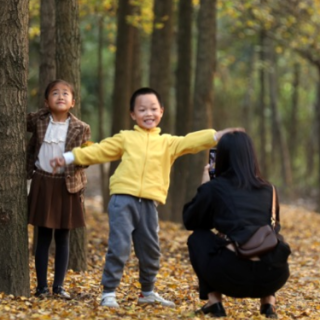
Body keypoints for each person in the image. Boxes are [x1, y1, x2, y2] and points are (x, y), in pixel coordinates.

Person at [50, 87, 243, 308]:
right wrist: (67, 157)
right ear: (133, 114)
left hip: (150, 204)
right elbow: (99, 151)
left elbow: (192, 141)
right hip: (123, 200)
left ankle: (147, 292)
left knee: (151, 249)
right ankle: (109, 292)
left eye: (153, 109)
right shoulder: (126, 138)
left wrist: (219, 135)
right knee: (119, 246)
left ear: (161, 111)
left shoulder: (168, 143)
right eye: (142, 109)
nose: (148, 113)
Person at [183, 131, 291, 318]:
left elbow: (192, 221)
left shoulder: (215, 187)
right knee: (269, 238)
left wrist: (204, 187)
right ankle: (268, 305)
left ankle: (214, 302)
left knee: (198, 237)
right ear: (251, 156)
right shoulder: (269, 189)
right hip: (273, 276)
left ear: (222, 156)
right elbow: (274, 228)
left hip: (230, 276)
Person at [27, 79, 91, 299]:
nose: (61, 96)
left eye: (66, 93)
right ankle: (41, 286)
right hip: (43, 182)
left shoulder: (81, 128)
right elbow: (19, 121)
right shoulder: (40, 120)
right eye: (55, 93)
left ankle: (59, 286)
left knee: (63, 237)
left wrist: (74, 160)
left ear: (73, 102)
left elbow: (87, 157)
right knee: (43, 236)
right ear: (46, 101)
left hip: (68, 186)